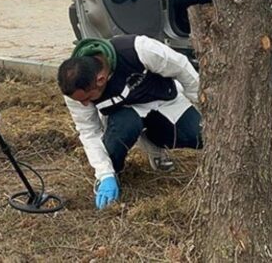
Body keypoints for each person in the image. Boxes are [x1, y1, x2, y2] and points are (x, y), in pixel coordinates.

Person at [57, 35, 203, 210]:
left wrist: (205, 108)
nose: (85, 104)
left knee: (200, 135)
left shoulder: (140, 50)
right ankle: (115, 176)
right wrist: (105, 174)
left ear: (101, 79)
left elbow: (183, 69)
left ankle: (153, 142)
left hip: (164, 101)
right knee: (125, 128)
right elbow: (89, 131)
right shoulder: (75, 90)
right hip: (125, 115)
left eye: (88, 99)